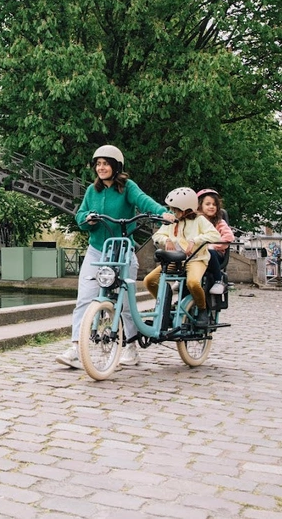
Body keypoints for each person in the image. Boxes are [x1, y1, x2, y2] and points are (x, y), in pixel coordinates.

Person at [56, 145, 173, 369]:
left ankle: (130, 347)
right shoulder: (92, 190)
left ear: (116, 166)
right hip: (97, 250)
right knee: (85, 299)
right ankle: (76, 349)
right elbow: (80, 215)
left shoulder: (127, 187)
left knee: (126, 302)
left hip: (122, 250)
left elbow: (144, 201)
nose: (101, 168)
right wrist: (87, 218)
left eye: (105, 163)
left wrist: (162, 214)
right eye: (98, 164)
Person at [144, 187, 221, 328]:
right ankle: (167, 309)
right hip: (176, 259)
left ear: (186, 209)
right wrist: (166, 240)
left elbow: (215, 235)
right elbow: (157, 235)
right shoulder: (173, 221)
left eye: (175, 210)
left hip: (196, 259)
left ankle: (202, 310)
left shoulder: (199, 220)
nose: (172, 213)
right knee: (149, 281)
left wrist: (195, 240)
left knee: (193, 283)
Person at [197, 188, 235, 295]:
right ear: (200, 206)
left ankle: (219, 280)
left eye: (214, 204)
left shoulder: (219, 222)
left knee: (209, 251)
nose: (211, 206)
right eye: (208, 204)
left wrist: (213, 245)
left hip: (214, 254)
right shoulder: (196, 222)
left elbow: (228, 237)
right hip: (197, 254)